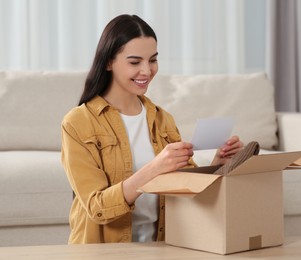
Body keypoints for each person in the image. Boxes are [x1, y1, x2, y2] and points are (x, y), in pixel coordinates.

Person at [61, 14, 243, 244]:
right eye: (135, 62)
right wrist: (154, 169)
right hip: (103, 252)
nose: (147, 71)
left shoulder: (162, 120)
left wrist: (219, 165)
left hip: (158, 247)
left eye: (153, 60)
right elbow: (98, 208)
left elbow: (188, 195)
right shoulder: (78, 122)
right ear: (108, 62)